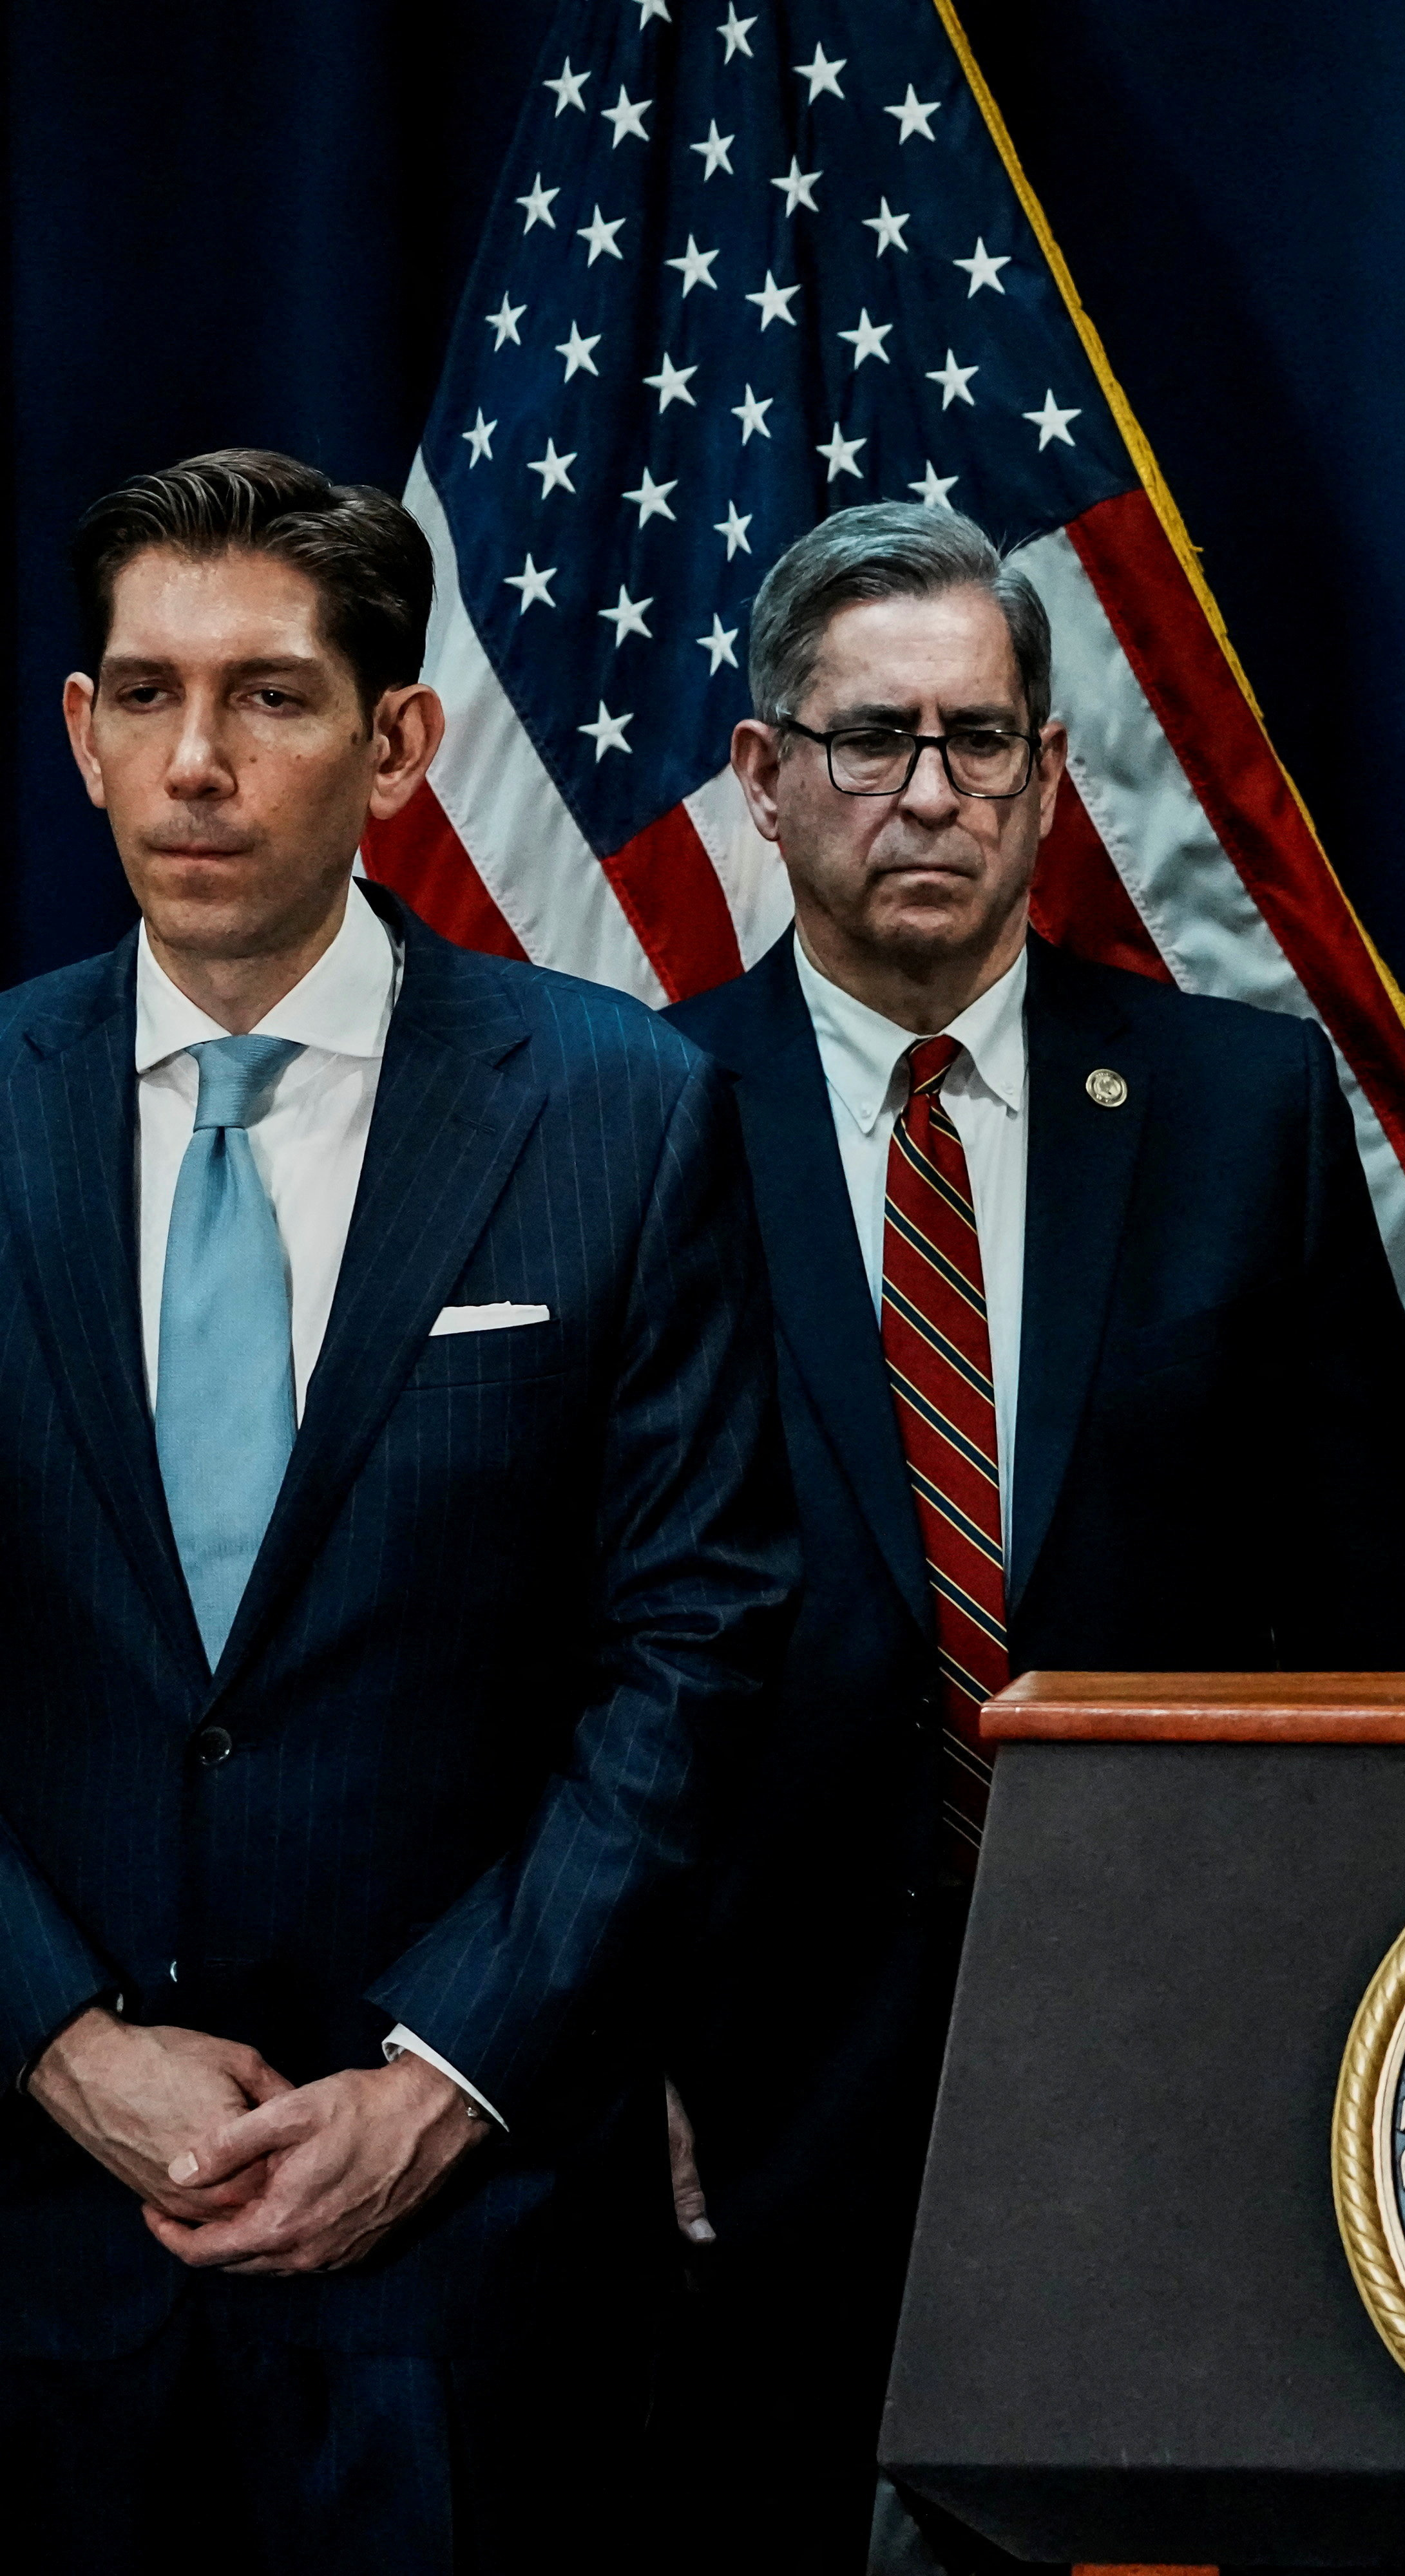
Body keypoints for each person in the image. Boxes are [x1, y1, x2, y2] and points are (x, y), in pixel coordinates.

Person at [0, 450, 792, 2569]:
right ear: (79, 736)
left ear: (397, 742)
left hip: (475, 2255)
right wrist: (61, 2043)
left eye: (267, 697)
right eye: (144, 697)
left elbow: (696, 1652)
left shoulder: (621, 1111)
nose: (196, 761)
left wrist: (443, 2080)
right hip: (38, 2246)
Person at [656, 504, 1405, 2569]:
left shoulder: (1243, 1111)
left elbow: (1376, 1640)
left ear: (1051, 774)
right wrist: (612, 2049)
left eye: (981, 739)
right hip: (756, 2093)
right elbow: (555, 1646)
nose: (930, 791)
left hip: (1185, 2057)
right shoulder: (628, 1122)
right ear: (760, 776)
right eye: (869, 738)